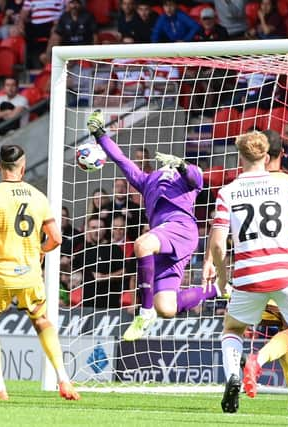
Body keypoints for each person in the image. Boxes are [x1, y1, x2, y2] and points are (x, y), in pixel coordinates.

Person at [208, 131, 288, 413]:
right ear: (266, 158)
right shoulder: (287, 187)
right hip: (285, 271)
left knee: (233, 328)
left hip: (248, 275)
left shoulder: (226, 193)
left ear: (240, 158)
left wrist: (223, 276)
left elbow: (217, 243)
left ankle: (232, 375)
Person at [87, 110, 221, 341]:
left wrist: (180, 165)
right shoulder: (146, 180)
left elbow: (194, 177)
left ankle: (144, 312)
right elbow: (121, 159)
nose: (166, 168)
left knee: (142, 244)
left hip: (180, 229)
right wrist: (100, 134)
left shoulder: (188, 178)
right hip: (167, 241)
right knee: (167, 307)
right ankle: (220, 289)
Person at [0, 144, 79, 401]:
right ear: (23, 168)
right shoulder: (38, 196)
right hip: (30, 273)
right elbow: (57, 239)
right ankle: (63, 378)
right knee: (42, 321)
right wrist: (39, 251)